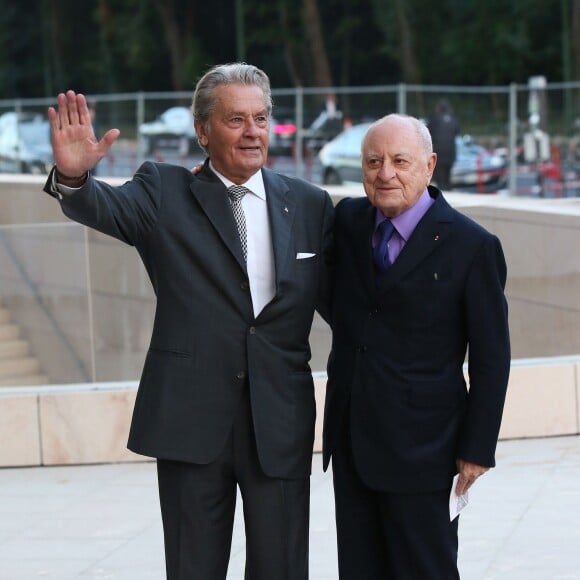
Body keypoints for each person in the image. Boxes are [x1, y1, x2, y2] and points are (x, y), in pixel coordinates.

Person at [43, 63, 334, 580]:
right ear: (203, 131)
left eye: (261, 119)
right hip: (191, 421)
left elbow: (349, 304)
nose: (253, 132)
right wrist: (73, 178)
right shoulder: (163, 191)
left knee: (283, 568)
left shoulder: (309, 204)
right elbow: (105, 207)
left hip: (279, 421)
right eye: (236, 120)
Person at [322, 113, 510, 579]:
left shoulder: (473, 246)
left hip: (426, 449)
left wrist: (477, 448)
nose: (385, 172)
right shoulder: (347, 219)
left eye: (399, 161)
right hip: (353, 441)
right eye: (373, 161)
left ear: (429, 166)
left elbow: (491, 358)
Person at [427, 98, 460, 190]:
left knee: (440, 176)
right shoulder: (453, 118)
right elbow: (457, 131)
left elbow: (428, 132)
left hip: (439, 151)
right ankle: (448, 189)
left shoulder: (434, 118)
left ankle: (442, 192)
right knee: (448, 175)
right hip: (450, 151)